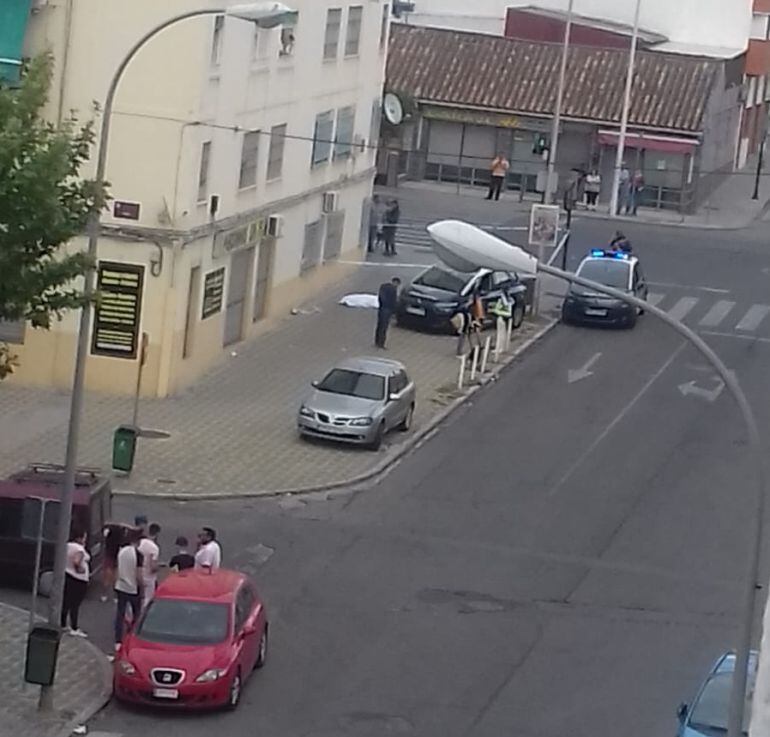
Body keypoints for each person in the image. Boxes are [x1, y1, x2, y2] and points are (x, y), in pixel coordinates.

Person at [114, 529, 144, 651]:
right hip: (133, 588)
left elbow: (117, 568)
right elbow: (138, 574)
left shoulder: (122, 551)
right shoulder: (138, 554)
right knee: (137, 614)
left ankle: (118, 640)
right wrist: (142, 586)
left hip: (121, 585)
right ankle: (133, 636)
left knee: (120, 614)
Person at [61, 530, 90, 637]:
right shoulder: (79, 549)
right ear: (79, 538)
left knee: (66, 601)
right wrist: (80, 569)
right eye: (84, 537)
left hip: (68, 575)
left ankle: (63, 624)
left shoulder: (68, 545)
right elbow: (77, 561)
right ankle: (74, 627)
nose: (85, 540)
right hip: (79, 579)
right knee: (75, 604)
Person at [138, 522, 161, 607]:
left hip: (137, 574)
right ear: (157, 534)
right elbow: (153, 567)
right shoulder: (154, 548)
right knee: (148, 599)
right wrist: (159, 567)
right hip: (149, 578)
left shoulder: (140, 543)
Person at [375, 276, 400, 349]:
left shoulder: (383, 286)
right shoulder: (393, 290)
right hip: (388, 310)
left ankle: (377, 341)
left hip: (381, 309)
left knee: (379, 325)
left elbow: (381, 297)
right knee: (384, 327)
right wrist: (394, 313)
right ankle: (381, 343)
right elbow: (394, 302)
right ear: (396, 283)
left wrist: (381, 305)